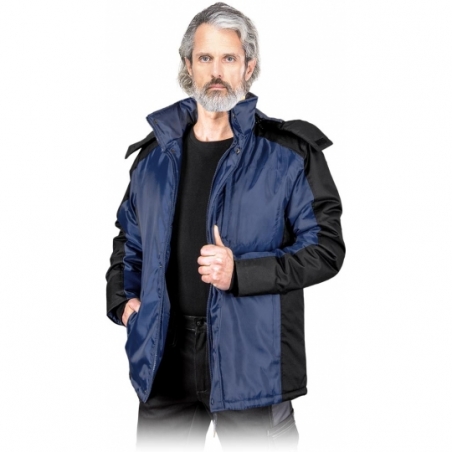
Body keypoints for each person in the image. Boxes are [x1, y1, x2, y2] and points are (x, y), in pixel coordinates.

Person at [106, 3, 345, 450]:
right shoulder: (154, 158)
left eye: (229, 58)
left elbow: (326, 250)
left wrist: (242, 272)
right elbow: (128, 242)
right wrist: (124, 303)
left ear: (249, 66)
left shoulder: (290, 155)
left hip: (253, 361)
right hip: (164, 359)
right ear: (188, 66)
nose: (216, 71)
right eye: (205, 58)